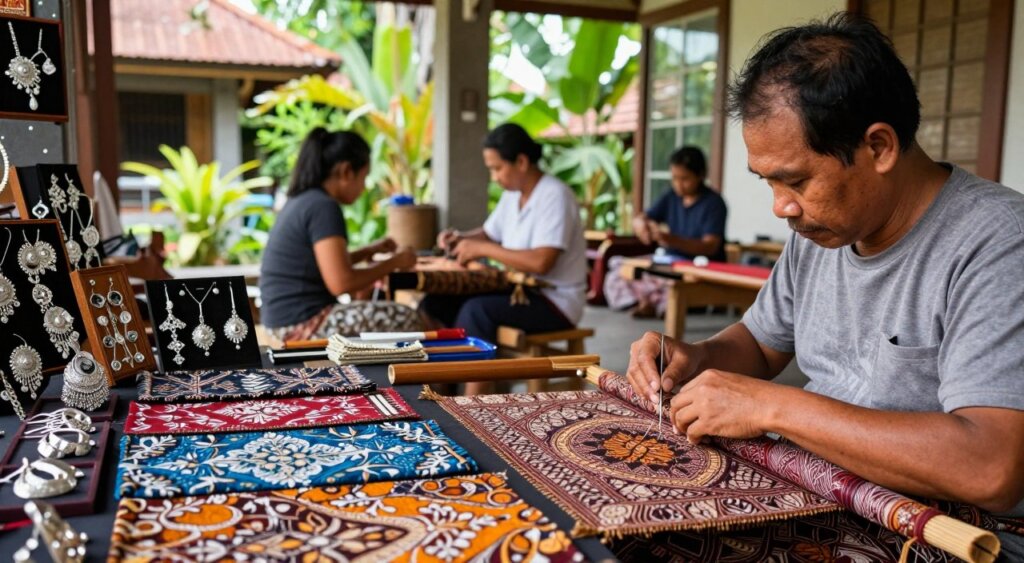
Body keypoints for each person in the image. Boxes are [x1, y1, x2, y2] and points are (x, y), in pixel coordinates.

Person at [626, 13, 1024, 555]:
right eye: (768, 182)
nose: (780, 207)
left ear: (879, 147)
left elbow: (990, 467)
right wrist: (692, 358)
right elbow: (758, 346)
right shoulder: (820, 233)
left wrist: (772, 408)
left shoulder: (998, 242)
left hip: (944, 531)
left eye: (795, 180)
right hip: (821, 490)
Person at [422, 123, 588, 392]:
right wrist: (460, 238)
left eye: (497, 168)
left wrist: (482, 250)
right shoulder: (513, 196)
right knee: (435, 304)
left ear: (521, 162)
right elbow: (488, 234)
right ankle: (445, 387)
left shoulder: (555, 195)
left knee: (476, 311)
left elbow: (541, 262)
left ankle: (473, 403)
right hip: (521, 291)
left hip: (555, 300)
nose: (494, 177)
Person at [260, 128, 422, 341]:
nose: (364, 188)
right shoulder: (323, 207)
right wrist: (396, 261)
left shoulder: (303, 200)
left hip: (280, 321)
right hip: (303, 324)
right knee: (407, 318)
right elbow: (341, 282)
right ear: (346, 171)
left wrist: (369, 251)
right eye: (363, 178)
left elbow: (321, 265)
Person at [603, 146, 727, 317]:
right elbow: (644, 217)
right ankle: (644, 303)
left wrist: (670, 239)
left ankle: (656, 305)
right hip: (669, 261)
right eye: (675, 178)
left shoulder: (714, 203)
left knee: (671, 285)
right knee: (619, 272)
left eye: (685, 179)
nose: (679, 184)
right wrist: (641, 225)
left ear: (700, 176)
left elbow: (710, 247)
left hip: (698, 266)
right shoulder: (671, 197)